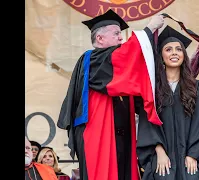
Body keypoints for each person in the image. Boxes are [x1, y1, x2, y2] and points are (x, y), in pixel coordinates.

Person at [57, 9, 164, 180]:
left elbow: (146, 85)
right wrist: (148, 30)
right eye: (116, 33)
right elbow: (123, 56)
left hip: (123, 137)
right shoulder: (91, 60)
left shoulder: (120, 72)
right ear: (99, 38)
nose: (121, 38)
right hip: (98, 135)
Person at [136, 25, 199, 180]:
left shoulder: (194, 86)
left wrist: (193, 154)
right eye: (168, 49)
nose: (174, 53)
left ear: (184, 55)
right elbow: (147, 122)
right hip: (162, 153)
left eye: (178, 49)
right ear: (161, 56)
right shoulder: (152, 89)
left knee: (191, 176)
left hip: (189, 155)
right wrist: (159, 151)